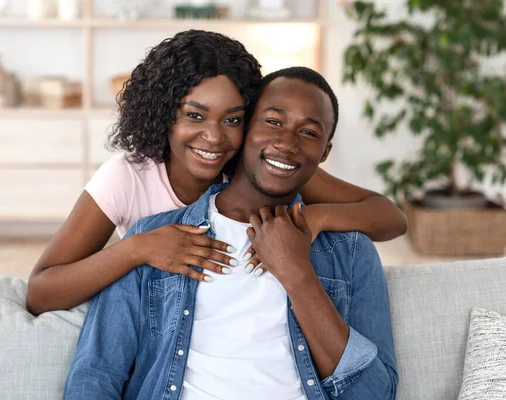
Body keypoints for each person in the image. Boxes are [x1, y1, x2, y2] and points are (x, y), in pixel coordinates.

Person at [64, 67, 397, 399]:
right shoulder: (153, 238)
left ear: (324, 152)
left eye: (308, 133)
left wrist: (297, 274)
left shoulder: (351, 251)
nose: (286, 143)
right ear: (245, 127)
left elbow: (376, 393)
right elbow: (95, 373)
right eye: (273, 121)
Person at [26, 30, 407, 315]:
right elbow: (41, 292)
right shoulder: (128, 177)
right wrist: (138, 249)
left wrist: (314, 217)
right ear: (163, 113)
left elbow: (390, 218)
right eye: (195, 115)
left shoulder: (254, 166)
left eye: (233, 119)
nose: (213, 137)